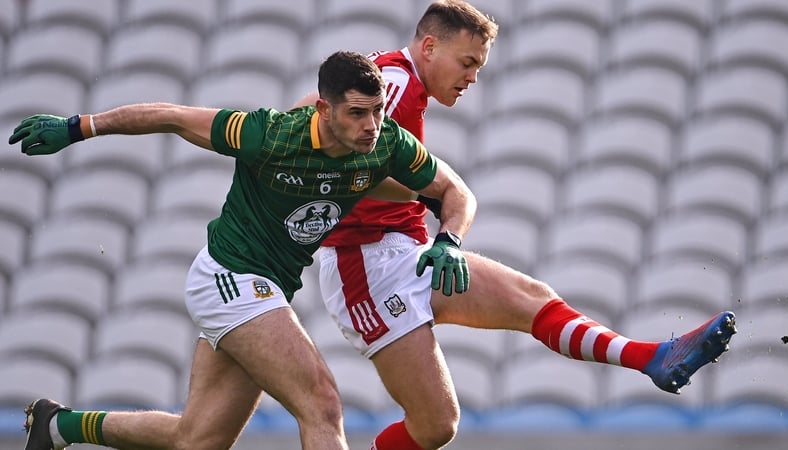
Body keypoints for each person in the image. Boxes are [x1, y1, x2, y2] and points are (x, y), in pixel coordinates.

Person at [292, 2, 738, 449]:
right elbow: (312, 118)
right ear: (429, 47)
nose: (472, 77)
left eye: (479, 67)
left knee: (532, 299)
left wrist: (443, 232)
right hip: (364, 267)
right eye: (467, 63)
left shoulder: (399, 83)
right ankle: (650, 358)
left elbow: (435, 185)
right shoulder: (394, 82)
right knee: (435, 424)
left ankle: (653, 358)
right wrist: (408, 190)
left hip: (405, 253)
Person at [8, 50, 477, 450]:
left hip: (265, 289)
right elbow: (172, 116)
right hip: (229, 278)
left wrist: (450, 239)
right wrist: (79, 126)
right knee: (322, 403)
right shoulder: (269, 135)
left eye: (377, 111)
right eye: (357, 113)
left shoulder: (385, 144)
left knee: (198, 439)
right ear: (324, 110)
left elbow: (456, 191)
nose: (371, 125)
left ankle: (59, 425)